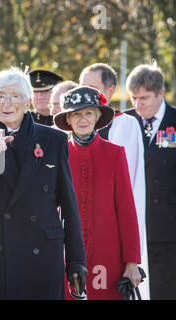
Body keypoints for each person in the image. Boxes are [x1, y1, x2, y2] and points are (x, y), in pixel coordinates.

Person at [0, 67, 87, 300]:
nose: (7, 103)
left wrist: (76, 260)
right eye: (1, 96)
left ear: (27, 101)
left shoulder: (54, 140)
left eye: (15, 96)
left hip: (42, 253)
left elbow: (68, 204)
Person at [54, 86, 142, 300]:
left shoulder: (115, 154)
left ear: (97, 117)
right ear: (68, 120)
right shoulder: (58, 155)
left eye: (88, 113)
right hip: (66, 256)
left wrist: (132, 263)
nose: (82, 119)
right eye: (76, 114)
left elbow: (127, 211)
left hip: (109, 257)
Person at [79, 63, 148, 298]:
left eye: (91, 88)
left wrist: (131, 259)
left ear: (109, 91)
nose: (84, 94)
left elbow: (126, 200)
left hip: (110, 236)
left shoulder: (123, 124)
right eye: (82, 87)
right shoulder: (65, 144)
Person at [125, 64, 176, 300]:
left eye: (144, 98)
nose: (138, 105)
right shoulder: (124, 123)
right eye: (133, 98)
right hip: (132, 227)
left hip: (168, 229)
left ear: (160, 94)